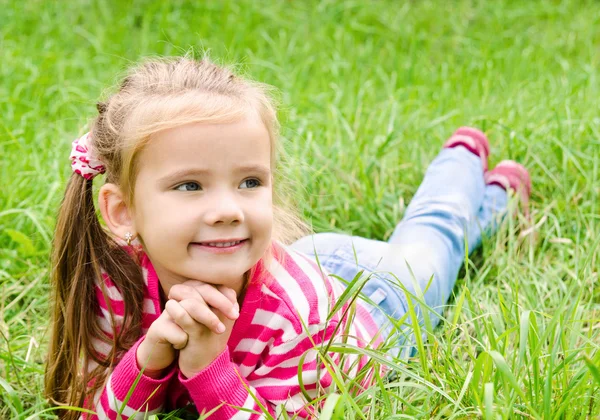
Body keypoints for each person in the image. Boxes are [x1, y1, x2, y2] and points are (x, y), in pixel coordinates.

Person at [45, 56, 531, 420]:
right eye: (190, 185)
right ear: (123, 211)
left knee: (434, 241)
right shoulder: (116, 282)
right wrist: (147, 359)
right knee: (435, 238)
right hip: (310, 259)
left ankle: (463, 158)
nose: (229, 210)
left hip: (377, 303)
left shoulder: (293, 313)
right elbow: (90, 409)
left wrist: (211, 366)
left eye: (250, 182)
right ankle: (496, 196)